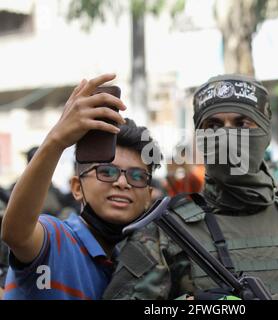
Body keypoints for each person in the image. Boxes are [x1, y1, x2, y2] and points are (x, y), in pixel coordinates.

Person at [104, 74, 278, 300]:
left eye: (242, 123)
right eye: (213, 125)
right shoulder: (164, 236)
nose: (226, 134)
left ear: (264, 133)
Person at [1, 74, 161, 299]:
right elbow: (16, 233)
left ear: (149, 196)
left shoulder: (140, 263)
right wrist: (56, 140)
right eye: (107, 172)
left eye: (137, 176)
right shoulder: (56, 239)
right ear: (77, 187)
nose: (122, 183)